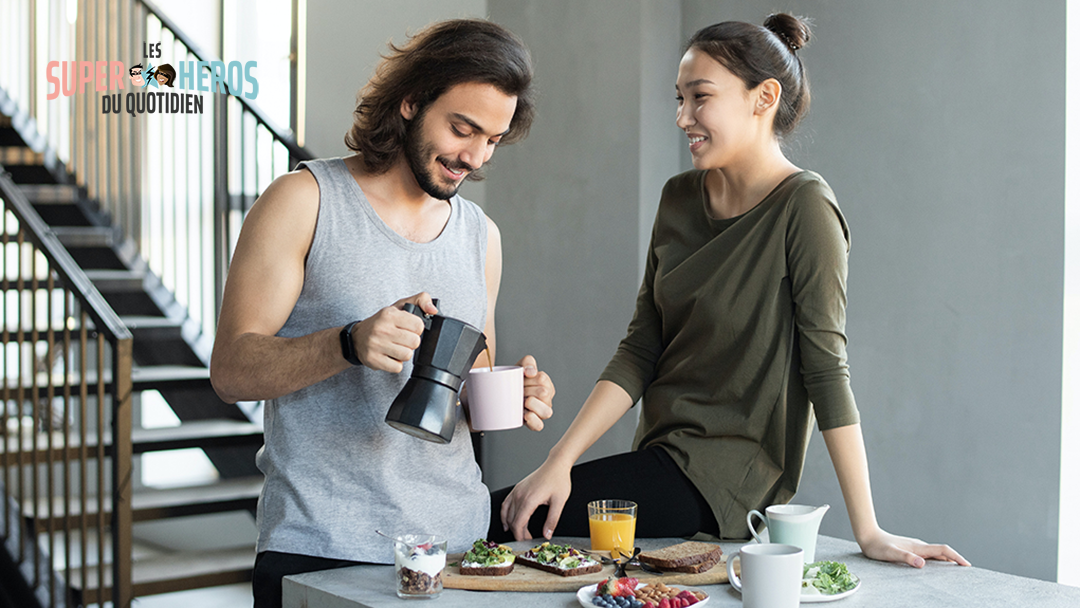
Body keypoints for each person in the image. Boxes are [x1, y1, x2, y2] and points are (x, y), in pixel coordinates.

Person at [491, 13, 969, 569]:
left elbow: (826, 370)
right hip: (660, 462)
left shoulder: (805, 208)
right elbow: (640, 349)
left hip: (725, 486)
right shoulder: (678, 199)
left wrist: (868, 529)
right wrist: (559, 460)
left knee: (499, 517)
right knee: (513, 514)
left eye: (700, 98)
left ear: (763, 97)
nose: (681, 117)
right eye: (678, 98)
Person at [208, 18, 555, 608]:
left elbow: (470, 384)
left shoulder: (482, 236)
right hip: (323, 546)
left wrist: (513, 394)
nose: (473, 156)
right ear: (411, 100)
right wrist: (346, 343)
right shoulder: (304, 201)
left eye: (492, 139)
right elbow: (231, 371)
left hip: (461, 548)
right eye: (462, 128)